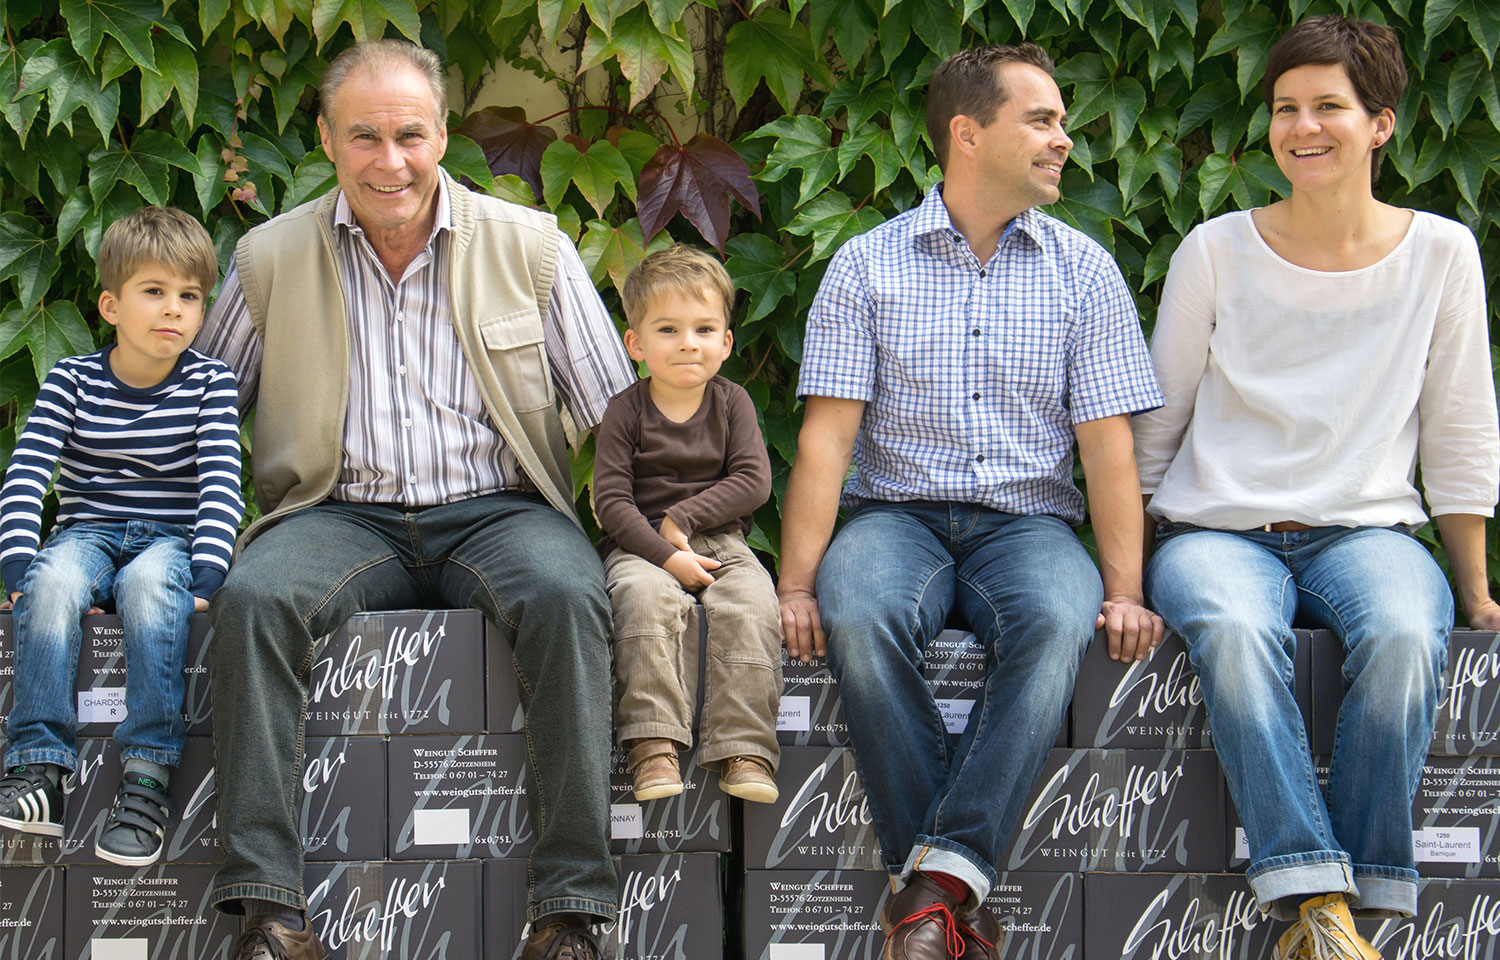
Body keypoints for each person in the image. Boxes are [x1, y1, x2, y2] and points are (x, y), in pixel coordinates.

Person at [195, 40, 635, 960]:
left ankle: (570, 911)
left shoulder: (531, 247)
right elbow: (198, 414)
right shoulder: (267, 259)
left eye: (408, 135)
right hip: (334, 512)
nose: (388, 161)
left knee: (567, 594)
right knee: (255, 599)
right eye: (363, 137)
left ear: (441, 136)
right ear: (325, 139)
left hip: (499, 508)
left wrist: (670, 537)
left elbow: (620, 419)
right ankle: (268, 912)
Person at [778, 43, 1166, 960]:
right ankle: (954, 893)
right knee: (861, 613)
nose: (1064, 139)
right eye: (1042, 120)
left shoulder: (1085, 270)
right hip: (895, 517)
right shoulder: (867, 267)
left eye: (1061, 122)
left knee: (1053, 623)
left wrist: (1124, 587)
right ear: (967, 133)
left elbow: (1106, 447)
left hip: (1029, 525)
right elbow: (827, 443)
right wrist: (797, 585)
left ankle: (932, 892)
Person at [1134, 16, 1500, 960]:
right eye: (1285, 108)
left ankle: (1365, 891)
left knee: (1407, 634)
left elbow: (1460, 428)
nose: (1303, 127)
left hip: (1367, 532)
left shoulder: (1442, 253)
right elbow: (1156, 426)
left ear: (1381, 123)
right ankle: (1316, 900)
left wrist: (1473, 587)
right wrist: (1125, 574)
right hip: (1217, 529)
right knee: (1233, 628)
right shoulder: (1214, 250)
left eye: (1328, 106)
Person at [0, 206, 242, 867]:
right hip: (87, 529)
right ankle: (40, 770)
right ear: (110, 304)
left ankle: (145, 778)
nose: (174, 311)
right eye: (154, 292)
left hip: (170, 536)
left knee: (146, 587)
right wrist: (18, 566)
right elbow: (26, 475)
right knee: (50, 586)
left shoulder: (210, 383)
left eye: (189, 297)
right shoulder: (70, 381)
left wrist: (206, 576)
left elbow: (222, 485)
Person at [592, 245, 781, 806]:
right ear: (637, 344)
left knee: (750, 601)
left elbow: (753, 482)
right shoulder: (625, 411)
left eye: (703, 329)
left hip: (719, 538)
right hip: (640, 543)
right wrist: (665, 551)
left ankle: (744, 747)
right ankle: (653, 744)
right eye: (668, 329)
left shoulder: (732, 404)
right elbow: (611, 501)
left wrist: (686, 517)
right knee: (644, 602)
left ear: (726, 341)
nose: (687, 343)